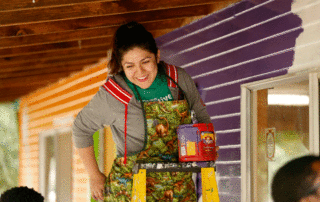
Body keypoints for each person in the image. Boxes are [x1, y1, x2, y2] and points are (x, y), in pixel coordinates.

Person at [72, 21, 215, 201]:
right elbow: (80, 128)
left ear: (157, 56)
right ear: (122, 66)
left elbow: (201, 114)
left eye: (145, 61)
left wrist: (206, 145)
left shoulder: (178, 79)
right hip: (131, 189)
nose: (140, 72)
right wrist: (94, 176)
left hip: (177, 189)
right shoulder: (115, 93)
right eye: (130, 66)